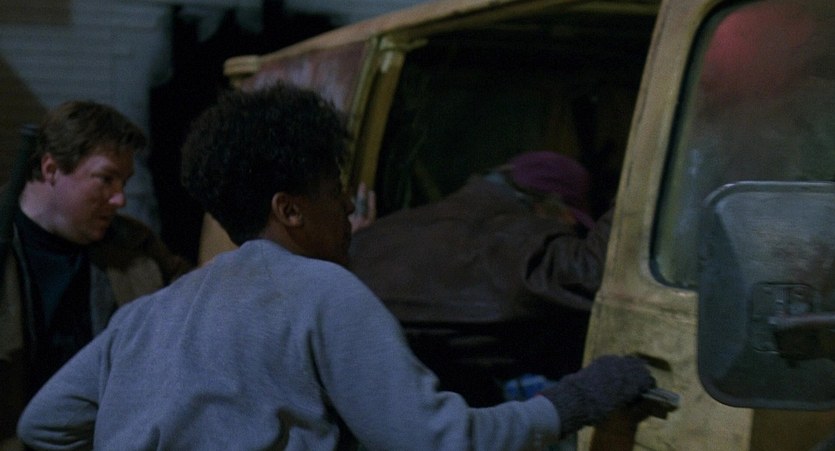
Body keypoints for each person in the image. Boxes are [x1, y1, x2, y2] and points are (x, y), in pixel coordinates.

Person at [16, 83, 654, 450]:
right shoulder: (322, 291)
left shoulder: (150, 312)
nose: (348, 206)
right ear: (289, 209)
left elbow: (42, 424)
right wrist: (575, 400)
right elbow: (439, 441)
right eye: (334, 190)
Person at [349, 151, 612, 406]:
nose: (570, 232)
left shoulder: (390, 230)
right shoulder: (506, 249)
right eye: (572, 223)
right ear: (548, 208)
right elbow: (592, 272)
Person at [0, 101, 191, 450]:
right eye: (105, 179)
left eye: (124, 182)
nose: (120, 199)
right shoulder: (6, 245)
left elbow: (194, 299)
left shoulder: (135, 246)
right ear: (51, 169)